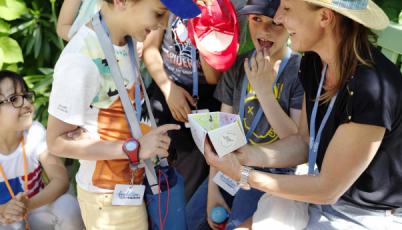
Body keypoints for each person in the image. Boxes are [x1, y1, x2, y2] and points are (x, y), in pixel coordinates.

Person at [204, 0, 402, 229]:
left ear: (325, 17)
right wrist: (245, 155)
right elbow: (304, 141)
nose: (278, 18)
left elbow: (328, 190)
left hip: (363, 214)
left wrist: (245, 175)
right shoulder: (315, 63)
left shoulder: (372, 89)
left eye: (287, 8)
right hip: (316, 190)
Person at [46, 0, 200, 229]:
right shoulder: (80, 61)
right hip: (107, 197)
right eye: (159, 14)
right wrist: (134, 148)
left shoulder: (123, 41)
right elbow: (56, 142)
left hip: (132, 185)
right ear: (122, 2)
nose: (165, 25)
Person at [186, 0, 304, 229]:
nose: (264, 30)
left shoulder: (297, 72)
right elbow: (221, 130)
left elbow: (296, 142)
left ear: (289, 24)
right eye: (257, 19)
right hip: (229, 164)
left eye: (276, 23)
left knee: (236, 224)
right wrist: (212, 190)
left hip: (272, 173)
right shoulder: (239, 65)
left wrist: (264, 92)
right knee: (191, 219)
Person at [142, 0, 226, 201]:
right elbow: (150, 49)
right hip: (166, 89)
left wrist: (202, 33)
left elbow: (214, 77)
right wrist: (168, 89)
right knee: (161, 159)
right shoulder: (171, 5)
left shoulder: (219, 10)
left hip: (204, 98)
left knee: (192, 165)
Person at [0, 70, 83, 230]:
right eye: (14, 99)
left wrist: (28, 205)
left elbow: (60, 180)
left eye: (26, 96)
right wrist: (4, 210)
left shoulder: (34, 133)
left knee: (68, 206)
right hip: (4, 220)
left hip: (35, 211)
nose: (26, 104)